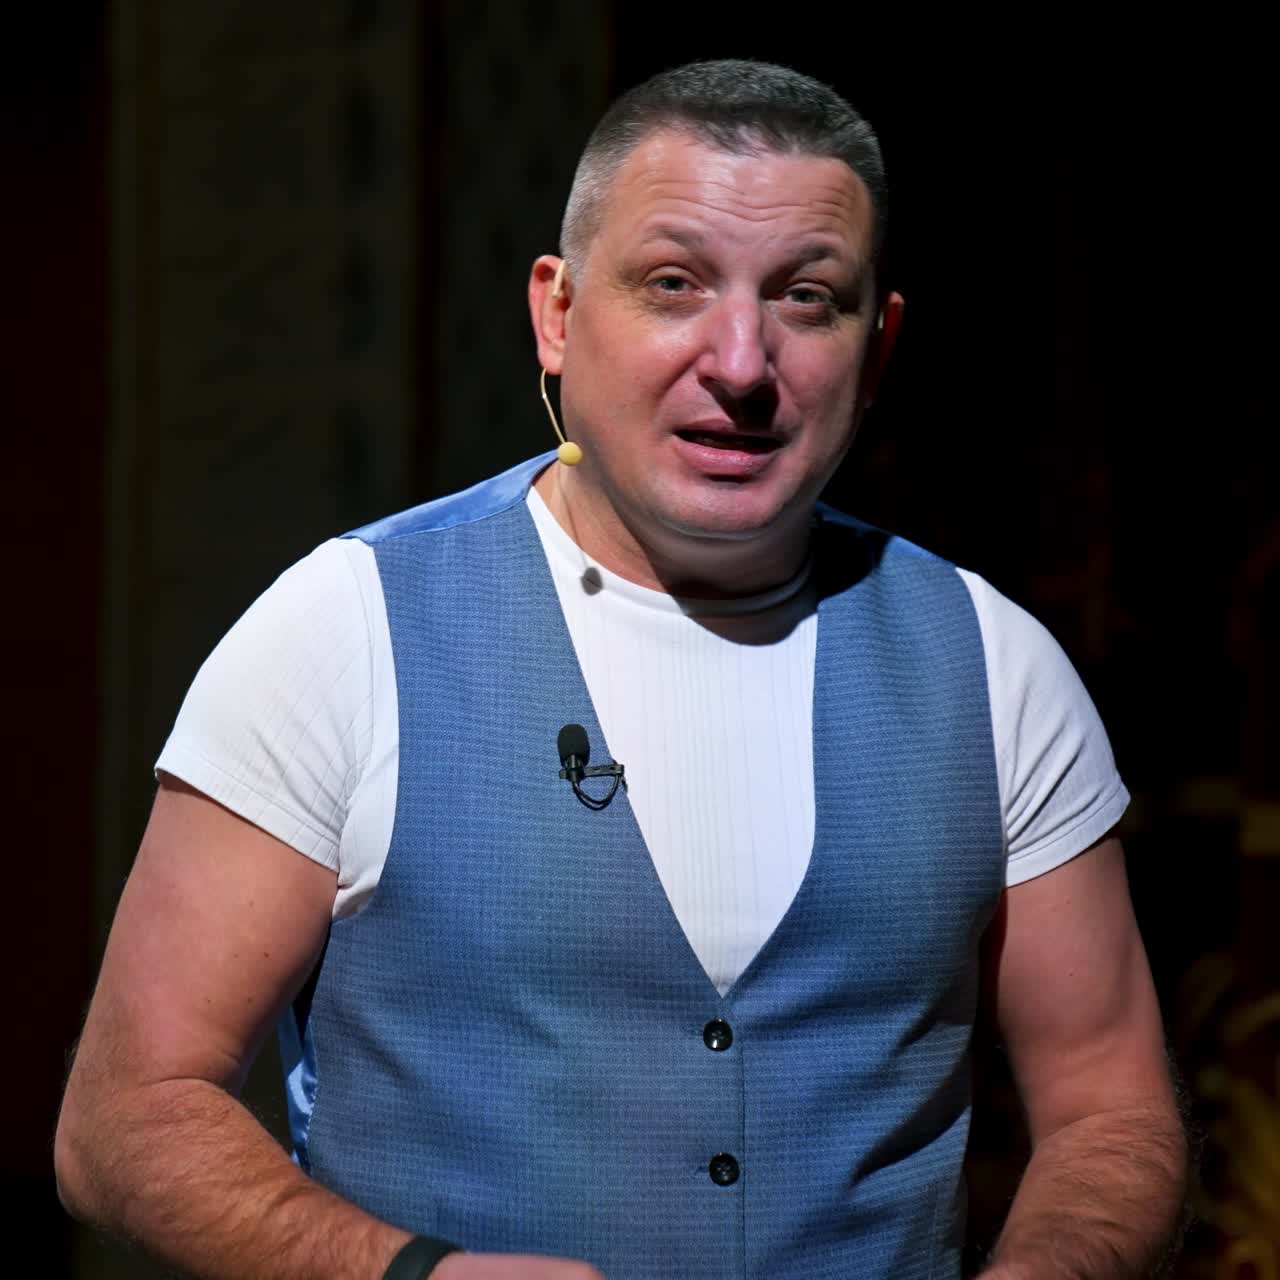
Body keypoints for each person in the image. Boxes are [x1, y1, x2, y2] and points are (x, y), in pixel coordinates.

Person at [56, 60, 1186, 1279]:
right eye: (673, 284)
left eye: (807, 298)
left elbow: (1110, 1111)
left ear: (878, 344)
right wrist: (405, 1273)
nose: (741, 363)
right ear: (555, 310)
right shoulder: (347, 629)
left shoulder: (990, 663)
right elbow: (125, 1117)